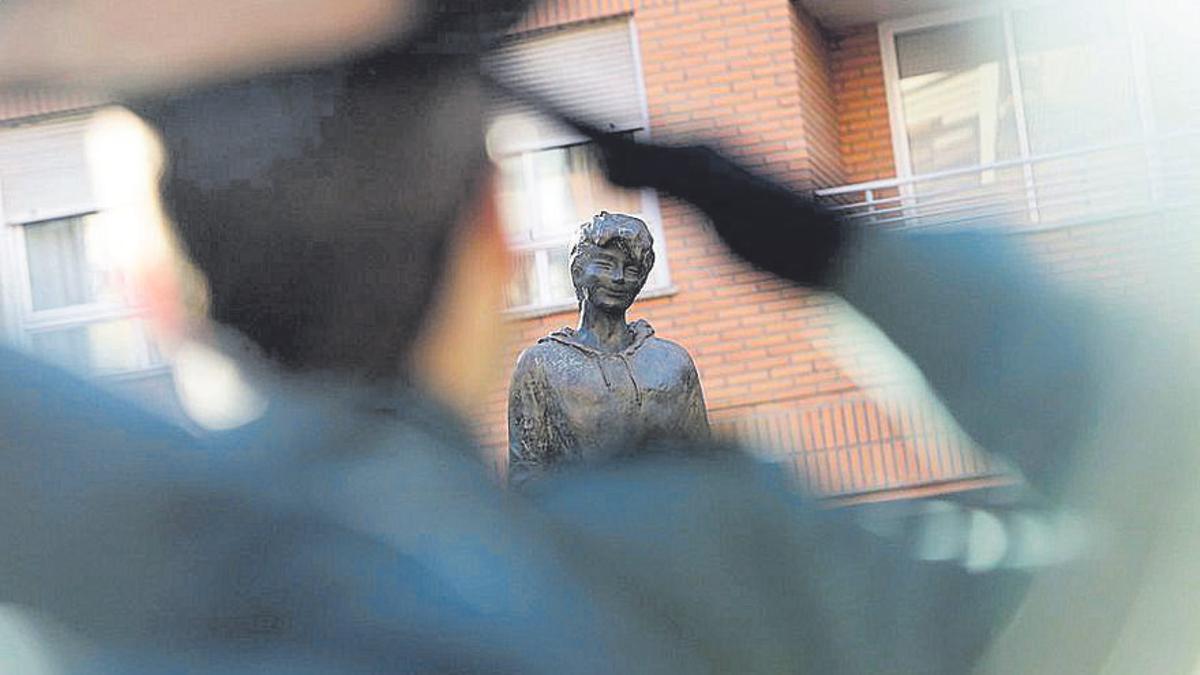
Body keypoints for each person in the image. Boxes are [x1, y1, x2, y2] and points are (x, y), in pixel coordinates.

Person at [0, 1, 1196, 672]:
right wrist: (846, 255)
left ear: (135, 278)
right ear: (497, 236)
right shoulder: (757, 586)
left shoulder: (89, 614)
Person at [508, 211, 709, 486]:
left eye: (631, 269)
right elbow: (526, 477)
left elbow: (705, 470)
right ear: (578, 272)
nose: (618, 277)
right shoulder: (541, 365)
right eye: (605, 264)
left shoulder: (673, 363)